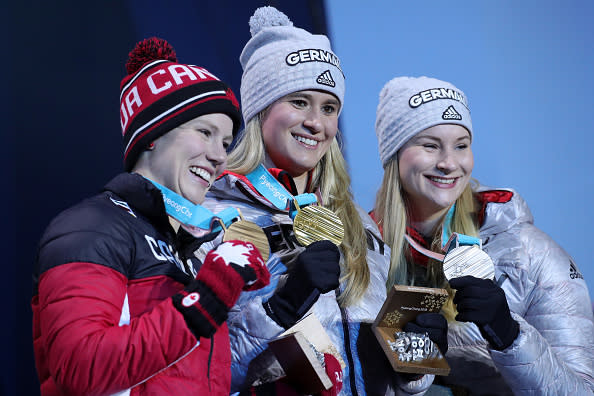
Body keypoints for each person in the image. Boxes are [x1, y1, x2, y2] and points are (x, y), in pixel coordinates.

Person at [198, 7, 446, 396]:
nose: (317, 122)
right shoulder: (209, 217)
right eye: (299, 102)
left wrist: (420, 354)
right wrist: (282, 308)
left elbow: (404, 380)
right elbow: (196, 373)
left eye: (329, 108)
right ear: (260, 109)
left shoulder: (357, 222)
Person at [31, 37, 270, 395]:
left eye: (225, 142)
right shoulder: (93, 226)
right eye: (205, 132)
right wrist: (207, 297)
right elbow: (81, 368)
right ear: (153, 136)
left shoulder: (186, 248)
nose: (220, 156)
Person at [372, 76, 594, 395]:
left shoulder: (532, 254)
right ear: (394, 155)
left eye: (461, 145)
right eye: (430, 145)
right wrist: (415, 366)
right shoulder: (366, 252)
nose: (450, 163)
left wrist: (507, 333)